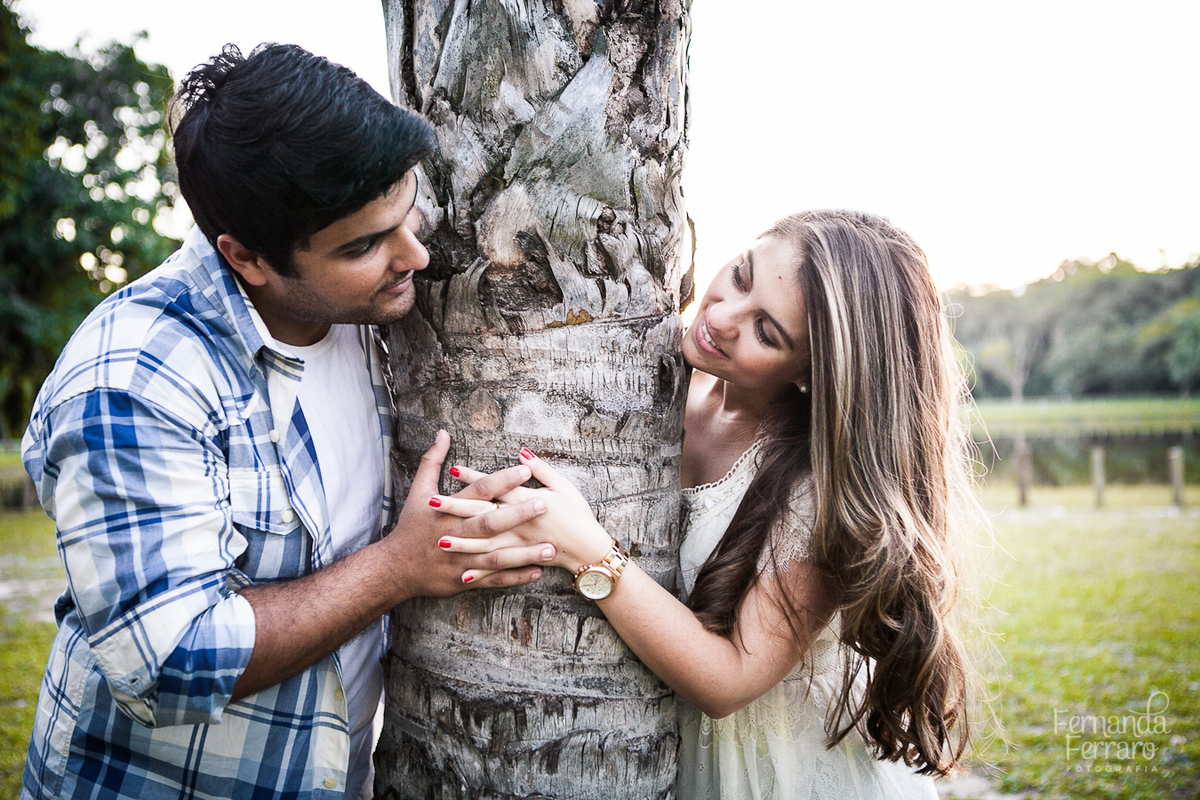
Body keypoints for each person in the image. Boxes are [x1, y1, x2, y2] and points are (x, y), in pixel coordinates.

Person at [20, 44, 551, 800]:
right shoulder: (134, 378)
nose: (417, 256)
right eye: (365, 245)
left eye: (406, 212)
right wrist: (399, 566)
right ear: (247, 258)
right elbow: (168, 663)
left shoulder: (374, 314)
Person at [434, 210, 984, 798]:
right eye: (741, 276)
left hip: (767, 772)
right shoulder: (648, 378)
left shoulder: (819, 490)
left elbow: (730, 680)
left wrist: (586, 551)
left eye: (767, 333)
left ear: (813, 373)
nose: (719, 318)